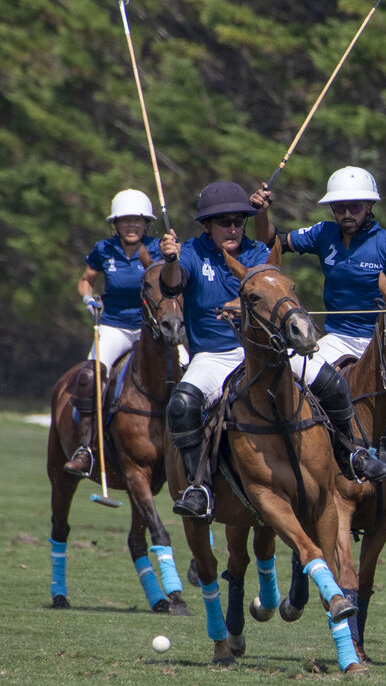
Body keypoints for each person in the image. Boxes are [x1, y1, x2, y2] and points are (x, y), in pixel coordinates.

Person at [251, 166, 386, 521]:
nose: (346, 213)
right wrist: (261, 212)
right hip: (337, 338)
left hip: (382, 342)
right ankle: (303, 464)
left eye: (354, 206)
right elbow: (271, 240)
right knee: (292, 375)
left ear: (369, 206)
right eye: (340, 207)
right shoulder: (323, 234)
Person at [158, 181, 273, 519]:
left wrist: (242, 304)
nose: (233, 228)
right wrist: (170, 260)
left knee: (322, 384)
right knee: (181, 406)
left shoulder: (257, 252)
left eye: (239, 221)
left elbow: (270, 290)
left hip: (259, 354)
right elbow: (172, 285)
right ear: (208, 225)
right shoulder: (192, 252)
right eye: (224, 222)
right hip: (212, 357)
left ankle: (344, 460)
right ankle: (199, 487)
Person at [63, 189, 164, 476]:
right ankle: (85, 448)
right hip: (114, 326)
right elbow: (86, 280)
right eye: (125, 220)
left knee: (184, 369)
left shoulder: (157, 249)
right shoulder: (103, 249)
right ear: (115, 224)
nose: (131, 226)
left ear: (146, 224)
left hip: (150, 328)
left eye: (137, 221)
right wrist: (88, 299)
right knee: (89, 377)